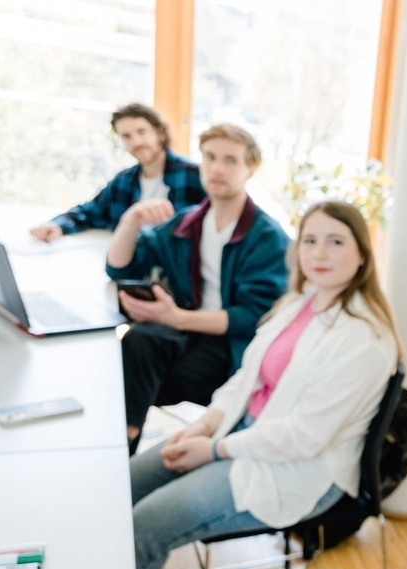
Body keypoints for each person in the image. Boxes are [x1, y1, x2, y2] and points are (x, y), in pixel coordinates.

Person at [129, 199, 402, 569]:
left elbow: (305, 437)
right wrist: (205, 425)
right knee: (126, 484)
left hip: (295, 468)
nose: (319, 253)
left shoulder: (364, 340)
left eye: (336, 242)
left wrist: (214, 449)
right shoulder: (301, 302)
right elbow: (247, 377)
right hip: (241, 432)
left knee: (146, 525)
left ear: (362, 254)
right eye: (309, 240)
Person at [106, 123, 290, 455]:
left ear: (251, 168)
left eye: (230, 160)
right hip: (190, 332)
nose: (217, 168)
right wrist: (130, 221)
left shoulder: (267, 237)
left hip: (232, 346)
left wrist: (174, 317)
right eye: (210, 158)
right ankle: (123, 438)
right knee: (138, 341)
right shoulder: (186, 223)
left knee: (129, 374)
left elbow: (251, 317)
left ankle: (122, 443)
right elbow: (120, 267)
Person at [29, 103, 205, 241]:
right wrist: (57, 226)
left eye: (141, 132)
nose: (136, 142)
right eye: (126, 136)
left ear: (159, 132)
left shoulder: (195, 175)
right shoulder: (124, 180)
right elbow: (90, 211)